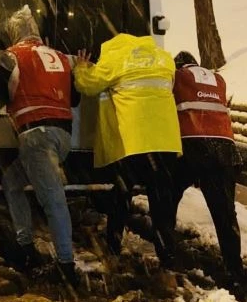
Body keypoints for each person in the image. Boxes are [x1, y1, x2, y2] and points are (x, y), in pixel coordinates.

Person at [0, 5, 81, 287]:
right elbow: (75, 98)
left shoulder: (13, 56)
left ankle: (66, 267)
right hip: (63, 136)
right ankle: (25, 245)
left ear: (14, 32)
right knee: (12, 182)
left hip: (36, 136)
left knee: (53, 201)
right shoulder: (60, 57)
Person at [73, 33, 182, 269]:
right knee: (161, 201)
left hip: (134, 141)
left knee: (122, 195)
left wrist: (81, 67)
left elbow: (87, 85)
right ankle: (168, 257)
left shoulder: (116, 59)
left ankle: (113, 245)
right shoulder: (164, 59)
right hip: (167, 142)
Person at [171, 51, 245, 280]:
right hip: (226, 150)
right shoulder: (218, 79)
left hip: (193, 146)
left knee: (167, 196)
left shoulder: (177, 77)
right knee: (225, 214)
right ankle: (234, 268)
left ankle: (168, 253)